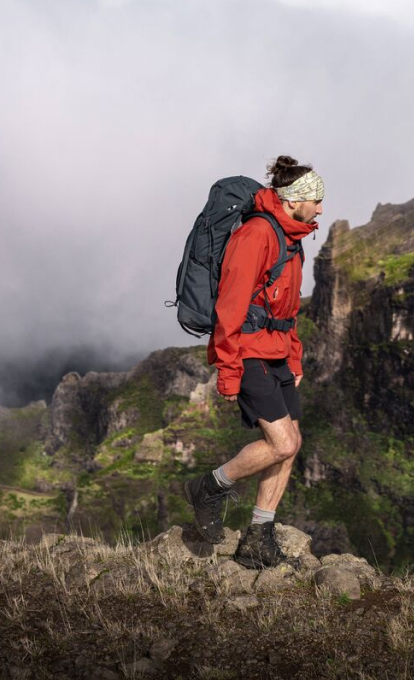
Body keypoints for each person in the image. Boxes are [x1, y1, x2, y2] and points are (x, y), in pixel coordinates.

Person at [183, 156, 324, 568]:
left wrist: (294, 358)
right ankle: (208, 486)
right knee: (282, 443)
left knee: (291, 447)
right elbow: (230, 307)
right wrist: (227, 371)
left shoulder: (292, 238)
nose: (320, 208)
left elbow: (288, 308)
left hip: (277, 353)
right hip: (247, 352)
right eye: (316, 200)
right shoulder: (257, 235)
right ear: (294, 200)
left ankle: (258, 537)